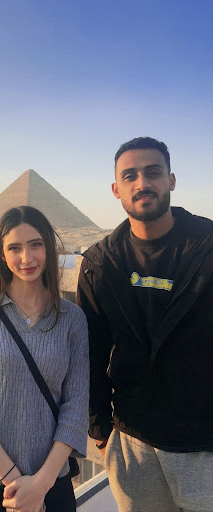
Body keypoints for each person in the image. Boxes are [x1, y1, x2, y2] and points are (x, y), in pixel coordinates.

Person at [76, 137, 213, 512]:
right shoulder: (99, 264)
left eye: (153, 173)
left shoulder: (208, 247)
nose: (142, 183)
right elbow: (90, 353)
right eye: (130, 176)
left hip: (203, 442)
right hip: (133, 442)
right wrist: (100, 429)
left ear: (171, 180)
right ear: (115, 189)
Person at [0, 205, 89, 512]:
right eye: (14, 248)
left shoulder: (72, 319)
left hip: (49, 483)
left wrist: (40, 485)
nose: (26, 258)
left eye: (35, 244)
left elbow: (76, 407)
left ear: (49, 248)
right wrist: (17, 483)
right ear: (1, 254)